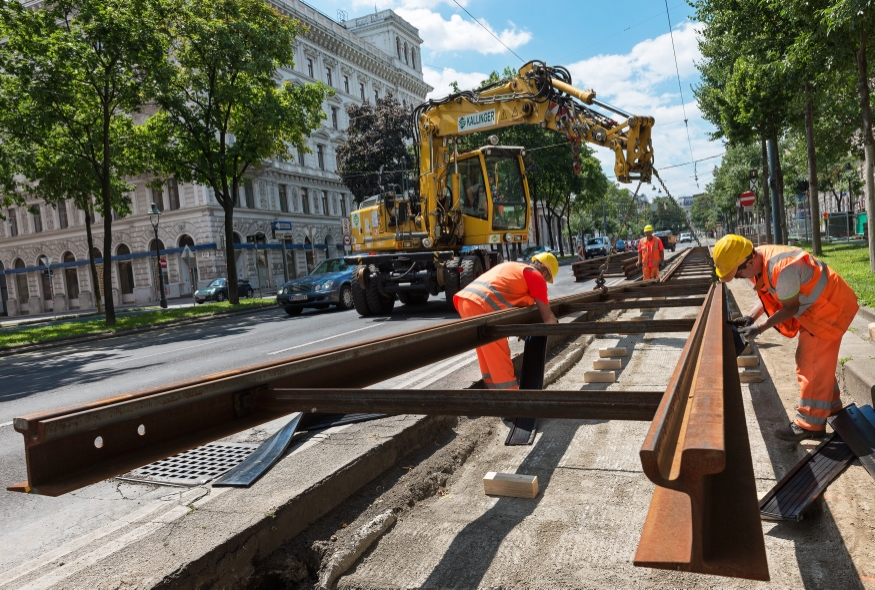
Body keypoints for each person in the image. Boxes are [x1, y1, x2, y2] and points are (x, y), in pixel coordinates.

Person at [713, 234, 859, 442]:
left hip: (830, 309)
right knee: (818, 364)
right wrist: (750, 317)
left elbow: (790, 307)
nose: (741, 277)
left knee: (811, 364)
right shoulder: (758, 256)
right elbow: (770, 294)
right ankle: (831, 407)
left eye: (739, 273)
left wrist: (759, 328)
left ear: (750, 261)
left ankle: (810, 424)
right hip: (819, 307)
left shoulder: (783, 270)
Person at [454, 252, 559, 390]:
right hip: (483, 306)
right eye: (547, 279)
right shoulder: (536, 276)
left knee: (488, 357)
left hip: (465, 301)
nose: (545, 283)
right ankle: (511, 402)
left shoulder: (515, 267)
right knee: (499, 362)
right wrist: (557, 327)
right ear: (545, 272)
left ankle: (494, 398)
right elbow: (548, 318)